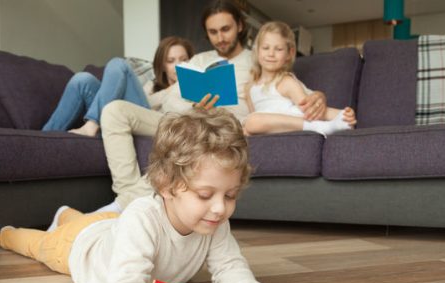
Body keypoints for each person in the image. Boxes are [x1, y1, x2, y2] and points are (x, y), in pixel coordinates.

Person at [0, 108, 300, 283]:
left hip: (112, 226)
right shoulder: (142, 217)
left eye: (231, 195)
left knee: (84, 220)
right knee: (37, 245)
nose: (221, 208)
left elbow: (230, 266)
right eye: (206, 195)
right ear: (166, 186)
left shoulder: (213, 220)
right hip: (78, 248)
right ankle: (8, 234)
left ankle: (68, 214)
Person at [97, 0, 330, 214]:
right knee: (115, 110)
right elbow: (169, 96)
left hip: (222, 125)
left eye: (225, 29)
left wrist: (318, 95)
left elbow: (291, 88)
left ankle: (121, 207)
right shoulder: (198, 60)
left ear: (239, 26)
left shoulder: (257, 58)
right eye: (213, 32)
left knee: (193, 131)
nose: (220, 38)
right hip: (187, 118)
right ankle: (126, 196)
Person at [42, 36, 194, 137]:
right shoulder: (152, 84)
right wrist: (168, 89)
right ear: (162, 65)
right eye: (171, 60)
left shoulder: (191, 88)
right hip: (122, 113)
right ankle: (43, 138)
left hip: (149, 124)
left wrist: (178, 88)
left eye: (183, 59)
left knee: (118, 64)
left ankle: (92, 124)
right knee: (83, 79)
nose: (178, 65)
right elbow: (146, 103)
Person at [244, 21, 356, 136]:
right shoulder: (249, 88)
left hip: (295, 121)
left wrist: (344, 115)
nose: (271, 53)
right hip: (267, 130)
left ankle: (330, 122)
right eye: (265, 48)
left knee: (251, 121)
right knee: (248, 126)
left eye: (278, 49)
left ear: (289, 54)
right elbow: (254, 121)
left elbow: (309, 111)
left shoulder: (285, 81)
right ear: (257, 51)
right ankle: (335, 121)